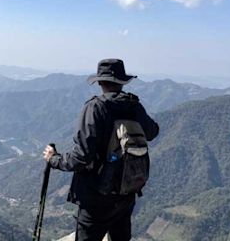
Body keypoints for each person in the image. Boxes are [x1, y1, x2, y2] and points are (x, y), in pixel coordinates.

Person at [43, 58, 159, 241]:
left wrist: (54, 159)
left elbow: (81, 158)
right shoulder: (134, 106)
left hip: (96, 198)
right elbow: (153, 132)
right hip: (126, 191)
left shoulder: (95, 108)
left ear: (100, 82)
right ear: (122, 82)